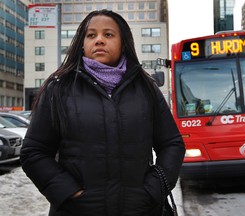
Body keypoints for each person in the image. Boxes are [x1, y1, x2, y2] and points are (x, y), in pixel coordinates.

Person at [20, 9, 185, 216]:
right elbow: (34, 152)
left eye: (108, 34)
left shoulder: (146, 88)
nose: (99, 40)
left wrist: (153, 189)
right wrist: (68, 193)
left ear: (123, 42)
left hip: (140, 210)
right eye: (91, 35)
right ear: (82, 43)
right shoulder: (59, 89)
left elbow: (172, 144)